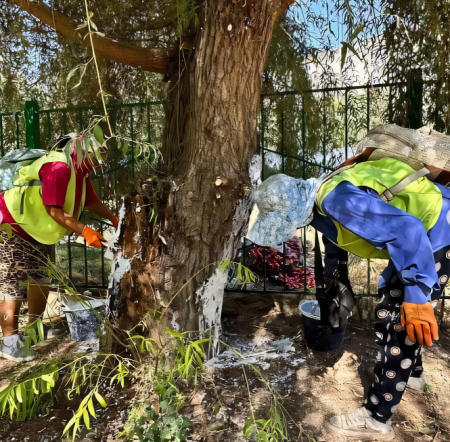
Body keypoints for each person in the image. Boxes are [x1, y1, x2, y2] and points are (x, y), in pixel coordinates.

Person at [247, 155, 448, 441]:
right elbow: (335, 247)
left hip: (436, 230)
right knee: (394, 307)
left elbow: (407, 231)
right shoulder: (321, 197)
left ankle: (377, 420)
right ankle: (411, 376)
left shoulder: (335, 201)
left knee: (397, 320)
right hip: (427, 228)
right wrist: (336, 286)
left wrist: (416, 296)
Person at [0, 131, 119, 362]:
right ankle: (8, 341)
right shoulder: (59, 167)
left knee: (41, 278)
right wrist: (83, 230)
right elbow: (53, 210)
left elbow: (92, 202)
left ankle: (32, 333)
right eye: (99, 155)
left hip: (38, 230)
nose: (101, 161)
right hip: (13, 224)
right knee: (13, 282)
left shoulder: (81, 173)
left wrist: (115, 220)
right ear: (83, 151)